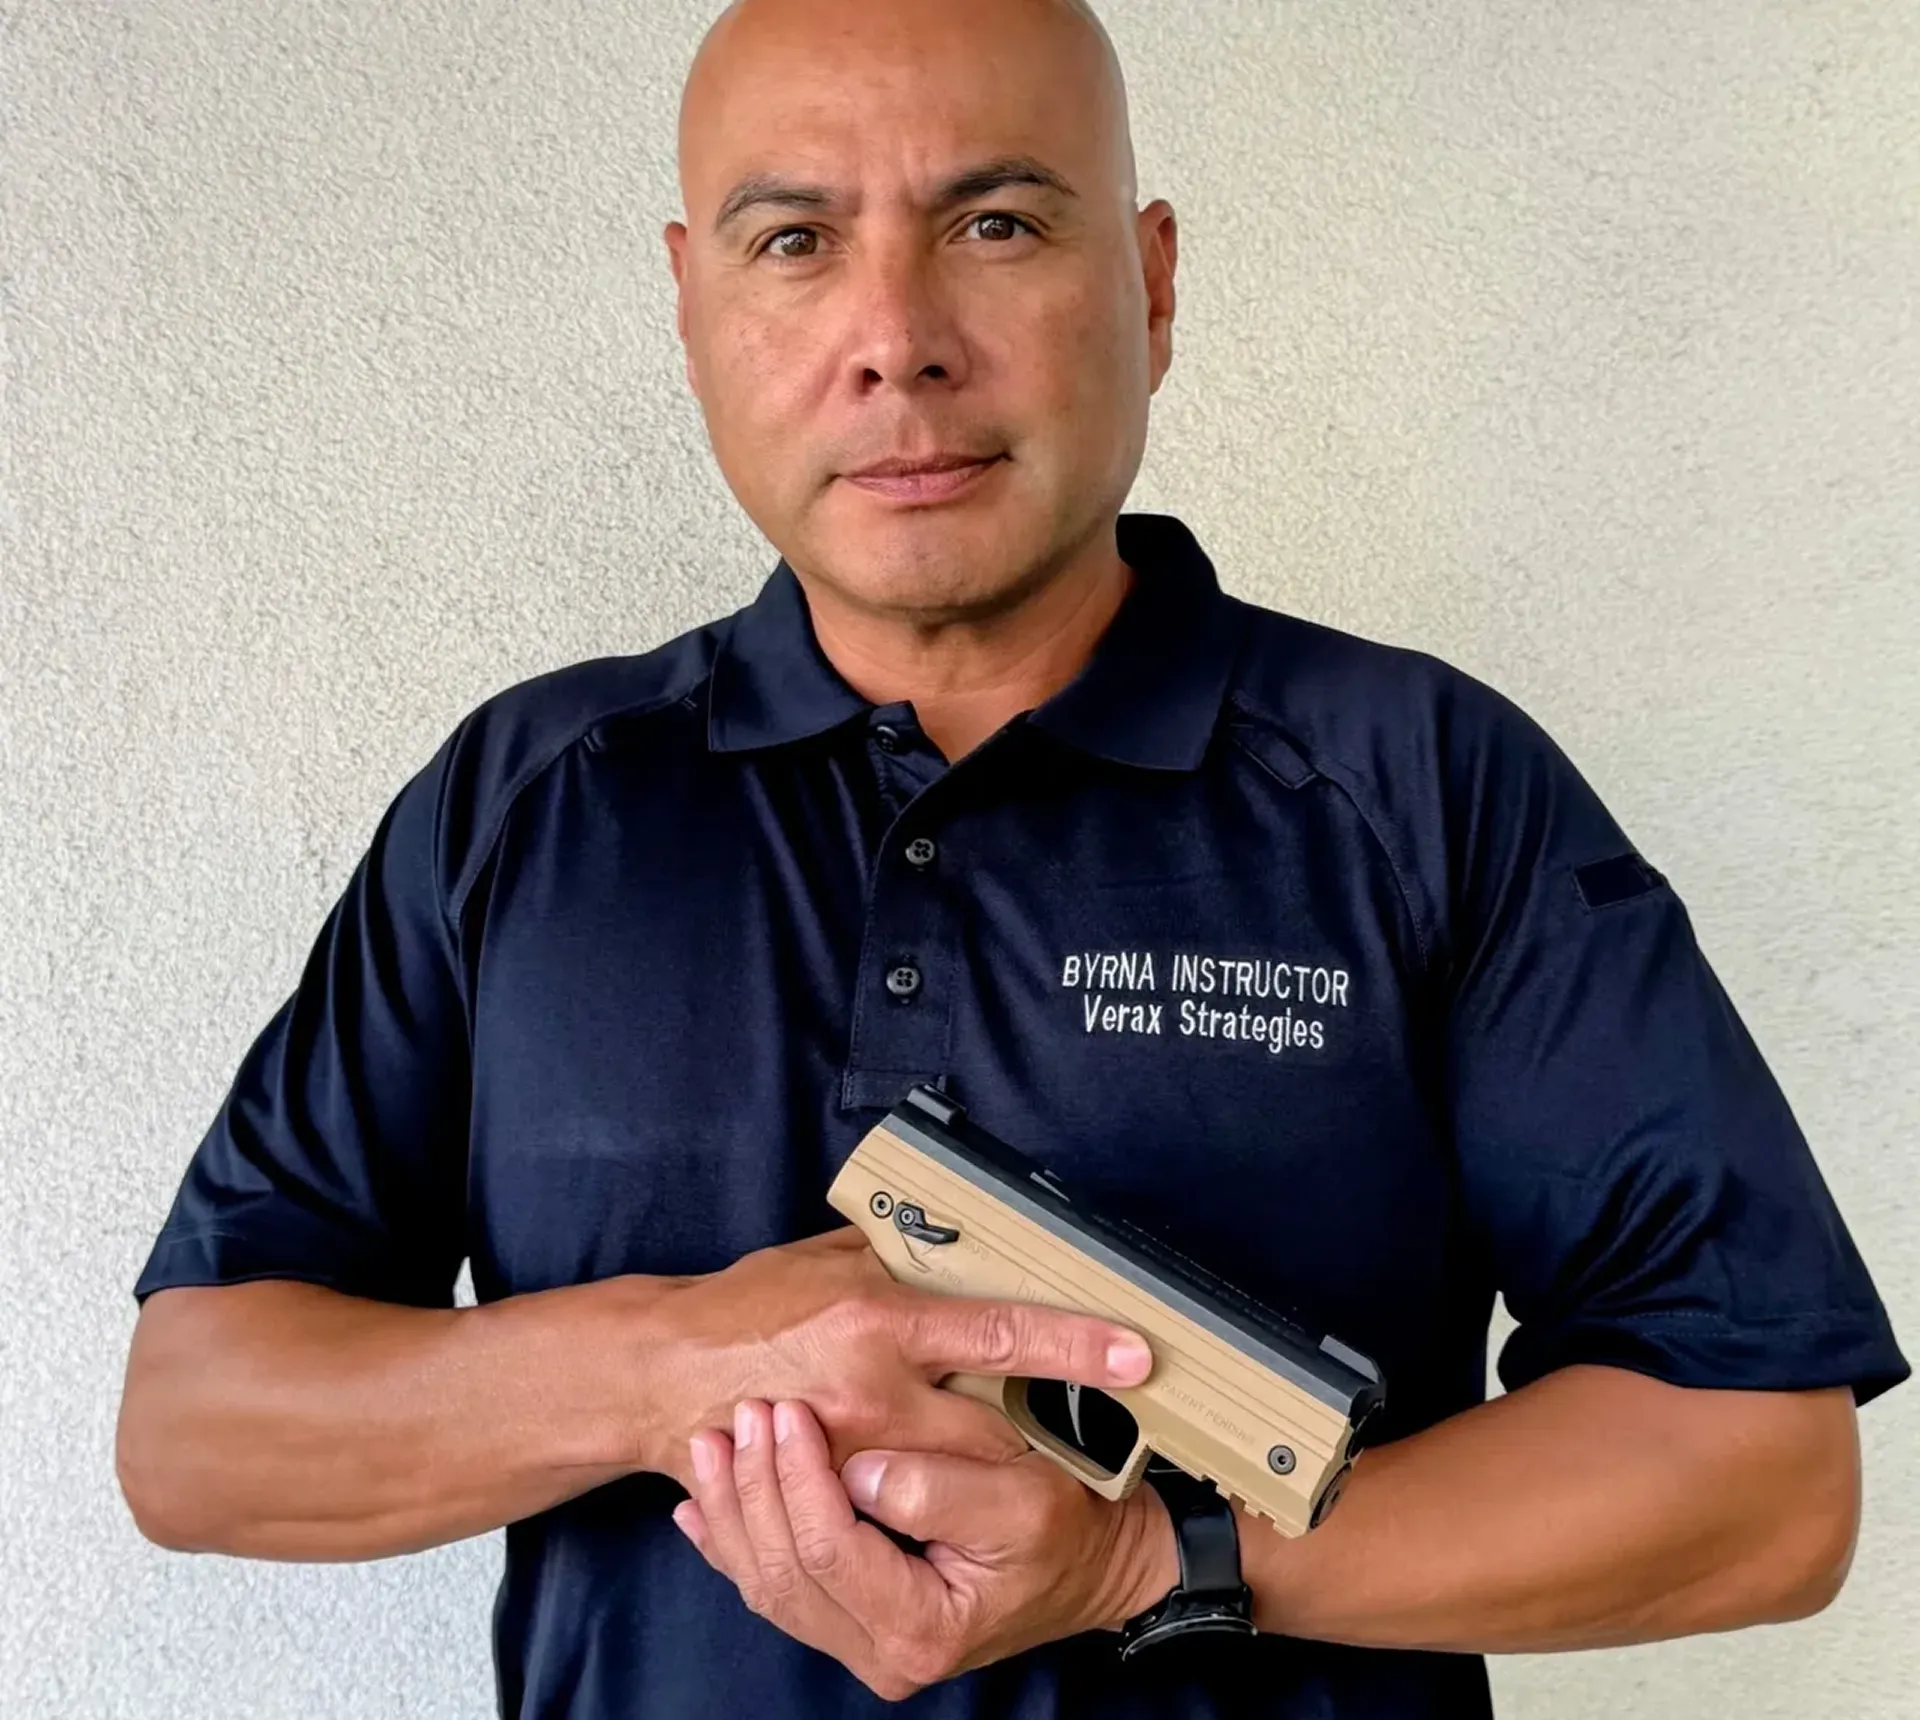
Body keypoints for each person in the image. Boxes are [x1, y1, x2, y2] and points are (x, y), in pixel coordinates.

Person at [115, 0, 1907, 1715]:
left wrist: (1151, 1558)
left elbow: (1761, 1476)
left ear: (1151, 279)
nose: (896, 333)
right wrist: (693, 1364)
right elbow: (198, 1430)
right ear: (691, 305)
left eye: (992, 220)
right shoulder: (525, 798)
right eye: (794, 241)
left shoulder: (1421, 782)